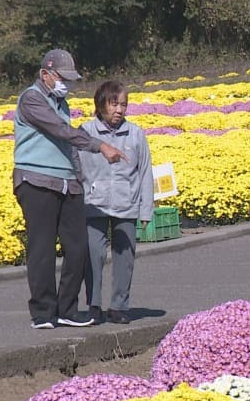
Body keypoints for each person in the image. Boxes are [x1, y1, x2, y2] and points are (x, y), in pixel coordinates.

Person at [13, 49, 128, 330]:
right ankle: (43, 312)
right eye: (63, 78)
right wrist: (99, 145)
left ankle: (67, 308)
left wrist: (78, 178)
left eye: (71, 79)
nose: (68, 84)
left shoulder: (61, 103)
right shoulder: (32, 99)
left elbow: (67, 143)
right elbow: (60, 132)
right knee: (42, 248)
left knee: (78, 247)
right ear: (45, 74)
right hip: (36, 180)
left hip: (67, 183)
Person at [79, 81, 154, 325]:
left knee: (125, 257)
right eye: (114, 104)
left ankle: (119, 306)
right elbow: (75, 168)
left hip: (126, 203)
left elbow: (144, 173)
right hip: (94, 203)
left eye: (123, 105)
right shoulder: (86, 132)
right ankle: (94, 305)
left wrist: (145, 210)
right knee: (93, 254)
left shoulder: (135, 134)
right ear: (100, 105)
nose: (119, 110)